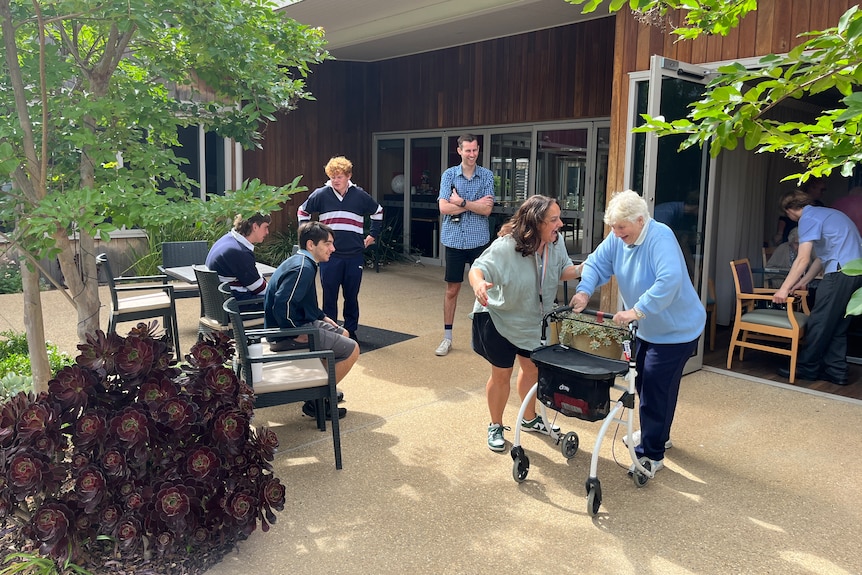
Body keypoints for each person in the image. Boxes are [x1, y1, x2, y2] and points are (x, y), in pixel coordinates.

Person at [571, 190, 705, 474]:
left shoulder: (661, 237)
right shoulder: (619, 237)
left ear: (641, 220)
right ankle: (657, 434)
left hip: (677, 329)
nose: (617, 234)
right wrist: (583, 291)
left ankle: (651, 454)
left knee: (657, 386)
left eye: (622, 228)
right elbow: (597, 263)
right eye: (613, 228)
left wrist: (636, 310)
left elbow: (669, 280)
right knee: (643, 382)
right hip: (647, 328)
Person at [468, 195, 581, 452]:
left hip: (531, 320)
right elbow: (478, 268)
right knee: (501, 374)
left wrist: (586, 268)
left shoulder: (555, 242)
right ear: (536, 222)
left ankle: (529, 418)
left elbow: (562, 270)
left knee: (532, 370)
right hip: (498, 317)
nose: (560, 224)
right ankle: (495, 425)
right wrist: (478, 285)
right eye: (553, 220)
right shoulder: (507, 246)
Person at [264, 221, 359, 420]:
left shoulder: (301, 262)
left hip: (299, 324)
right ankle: (316, 399)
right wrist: (296, 333)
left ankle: (321, 390)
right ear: (310, 245)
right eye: (327, 243)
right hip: (284, 335)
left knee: (344, 333)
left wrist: (322, 316)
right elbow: (282, 305)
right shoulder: (303, 269)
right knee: (352, 350)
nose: (333, 248)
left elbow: (301, 301)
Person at [773, 190, 862, 385]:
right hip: (855, 272)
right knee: (837, 325)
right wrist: (803, 282)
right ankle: (836, 371)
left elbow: (803, 258)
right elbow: (821, 258)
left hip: (840, 272)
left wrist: (783, 289)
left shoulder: (808, 218)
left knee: (819, 321)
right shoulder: (827, 214)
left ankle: (806, 368)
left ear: (789, 210)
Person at [297, 156, 383, 341]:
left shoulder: (360, 195)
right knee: (330, 296)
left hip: (354, 255)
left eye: (340, 176)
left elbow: (378, 211)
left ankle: (351, 331)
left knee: (351, 296)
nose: (336, 180)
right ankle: (331, 333)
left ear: (348, 176)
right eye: (333, 176)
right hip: (329, 257)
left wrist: (372, 236)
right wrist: (308, 235)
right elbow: (302, 211)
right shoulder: (321, 194)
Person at [435, 134, 495, 356]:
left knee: (484, 289)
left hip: (479, 240)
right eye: (468, 150)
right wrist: (473, 205)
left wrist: (460, 202)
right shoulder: (449, 175)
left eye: (475, 150)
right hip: (454, 240)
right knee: (453, 289)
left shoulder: (487, 175)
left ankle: (487, 339)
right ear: (459, 150)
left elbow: (487, 210)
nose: (472, 155)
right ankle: (447, 338)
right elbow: (443, 208)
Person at [206, 213, 270, 301]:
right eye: (265, 227)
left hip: (221, 302)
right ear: (255, 227)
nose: (267, 232)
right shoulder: (239, 252)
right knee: (279, 301)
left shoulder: (227, 240)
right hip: (236, 305)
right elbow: (260, 290)